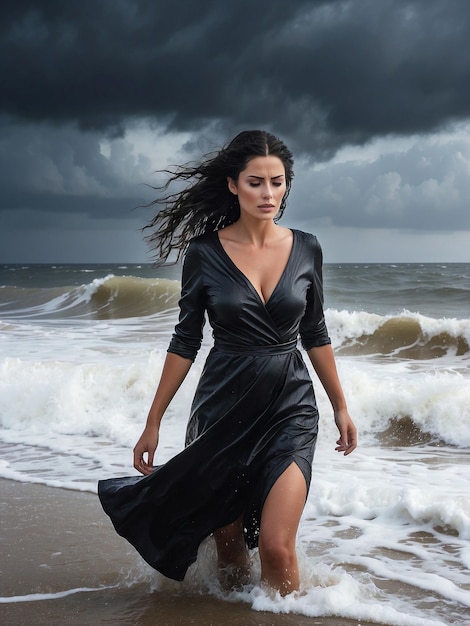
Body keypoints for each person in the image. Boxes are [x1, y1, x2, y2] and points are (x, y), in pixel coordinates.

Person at [98, 130, 357, 596]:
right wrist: (153, 421)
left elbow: (315, 332)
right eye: (256, 182)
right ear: (233, 185)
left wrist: (340, 405)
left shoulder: (307, 248)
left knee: (278, 546)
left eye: (277, 183)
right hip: (222, 411)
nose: (269, 194)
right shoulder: (203, 253)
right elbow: (185, 341)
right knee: (231, 546)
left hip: (290, 408)